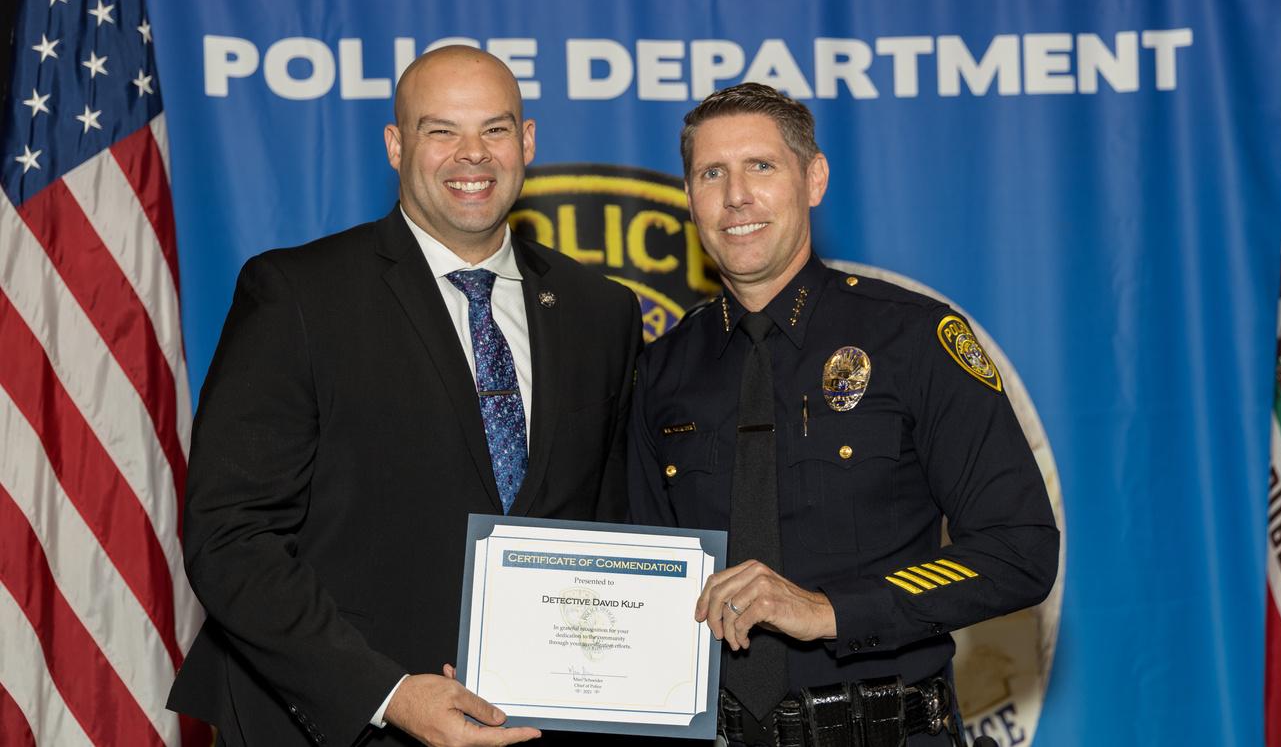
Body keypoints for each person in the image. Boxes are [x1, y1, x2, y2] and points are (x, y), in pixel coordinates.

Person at [168, 47, 643, 746]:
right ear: (396, 145)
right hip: (346, 726)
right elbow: (231, 537)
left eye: (495, 129)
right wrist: (385, 694)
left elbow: (612, 527)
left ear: (527, 141)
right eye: (441, 130)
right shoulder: (298, 295)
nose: (472, 154)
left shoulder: (599, 310)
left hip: (537, 724)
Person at [627, 83, 1058, 746]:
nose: (736, 195)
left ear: (814, 178)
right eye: (712, 173)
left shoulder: (913, 338)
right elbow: (639, 582)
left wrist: (829, 611)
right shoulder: (660, 371)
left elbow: (1020, 548)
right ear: (689, 197)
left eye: (761, 166)